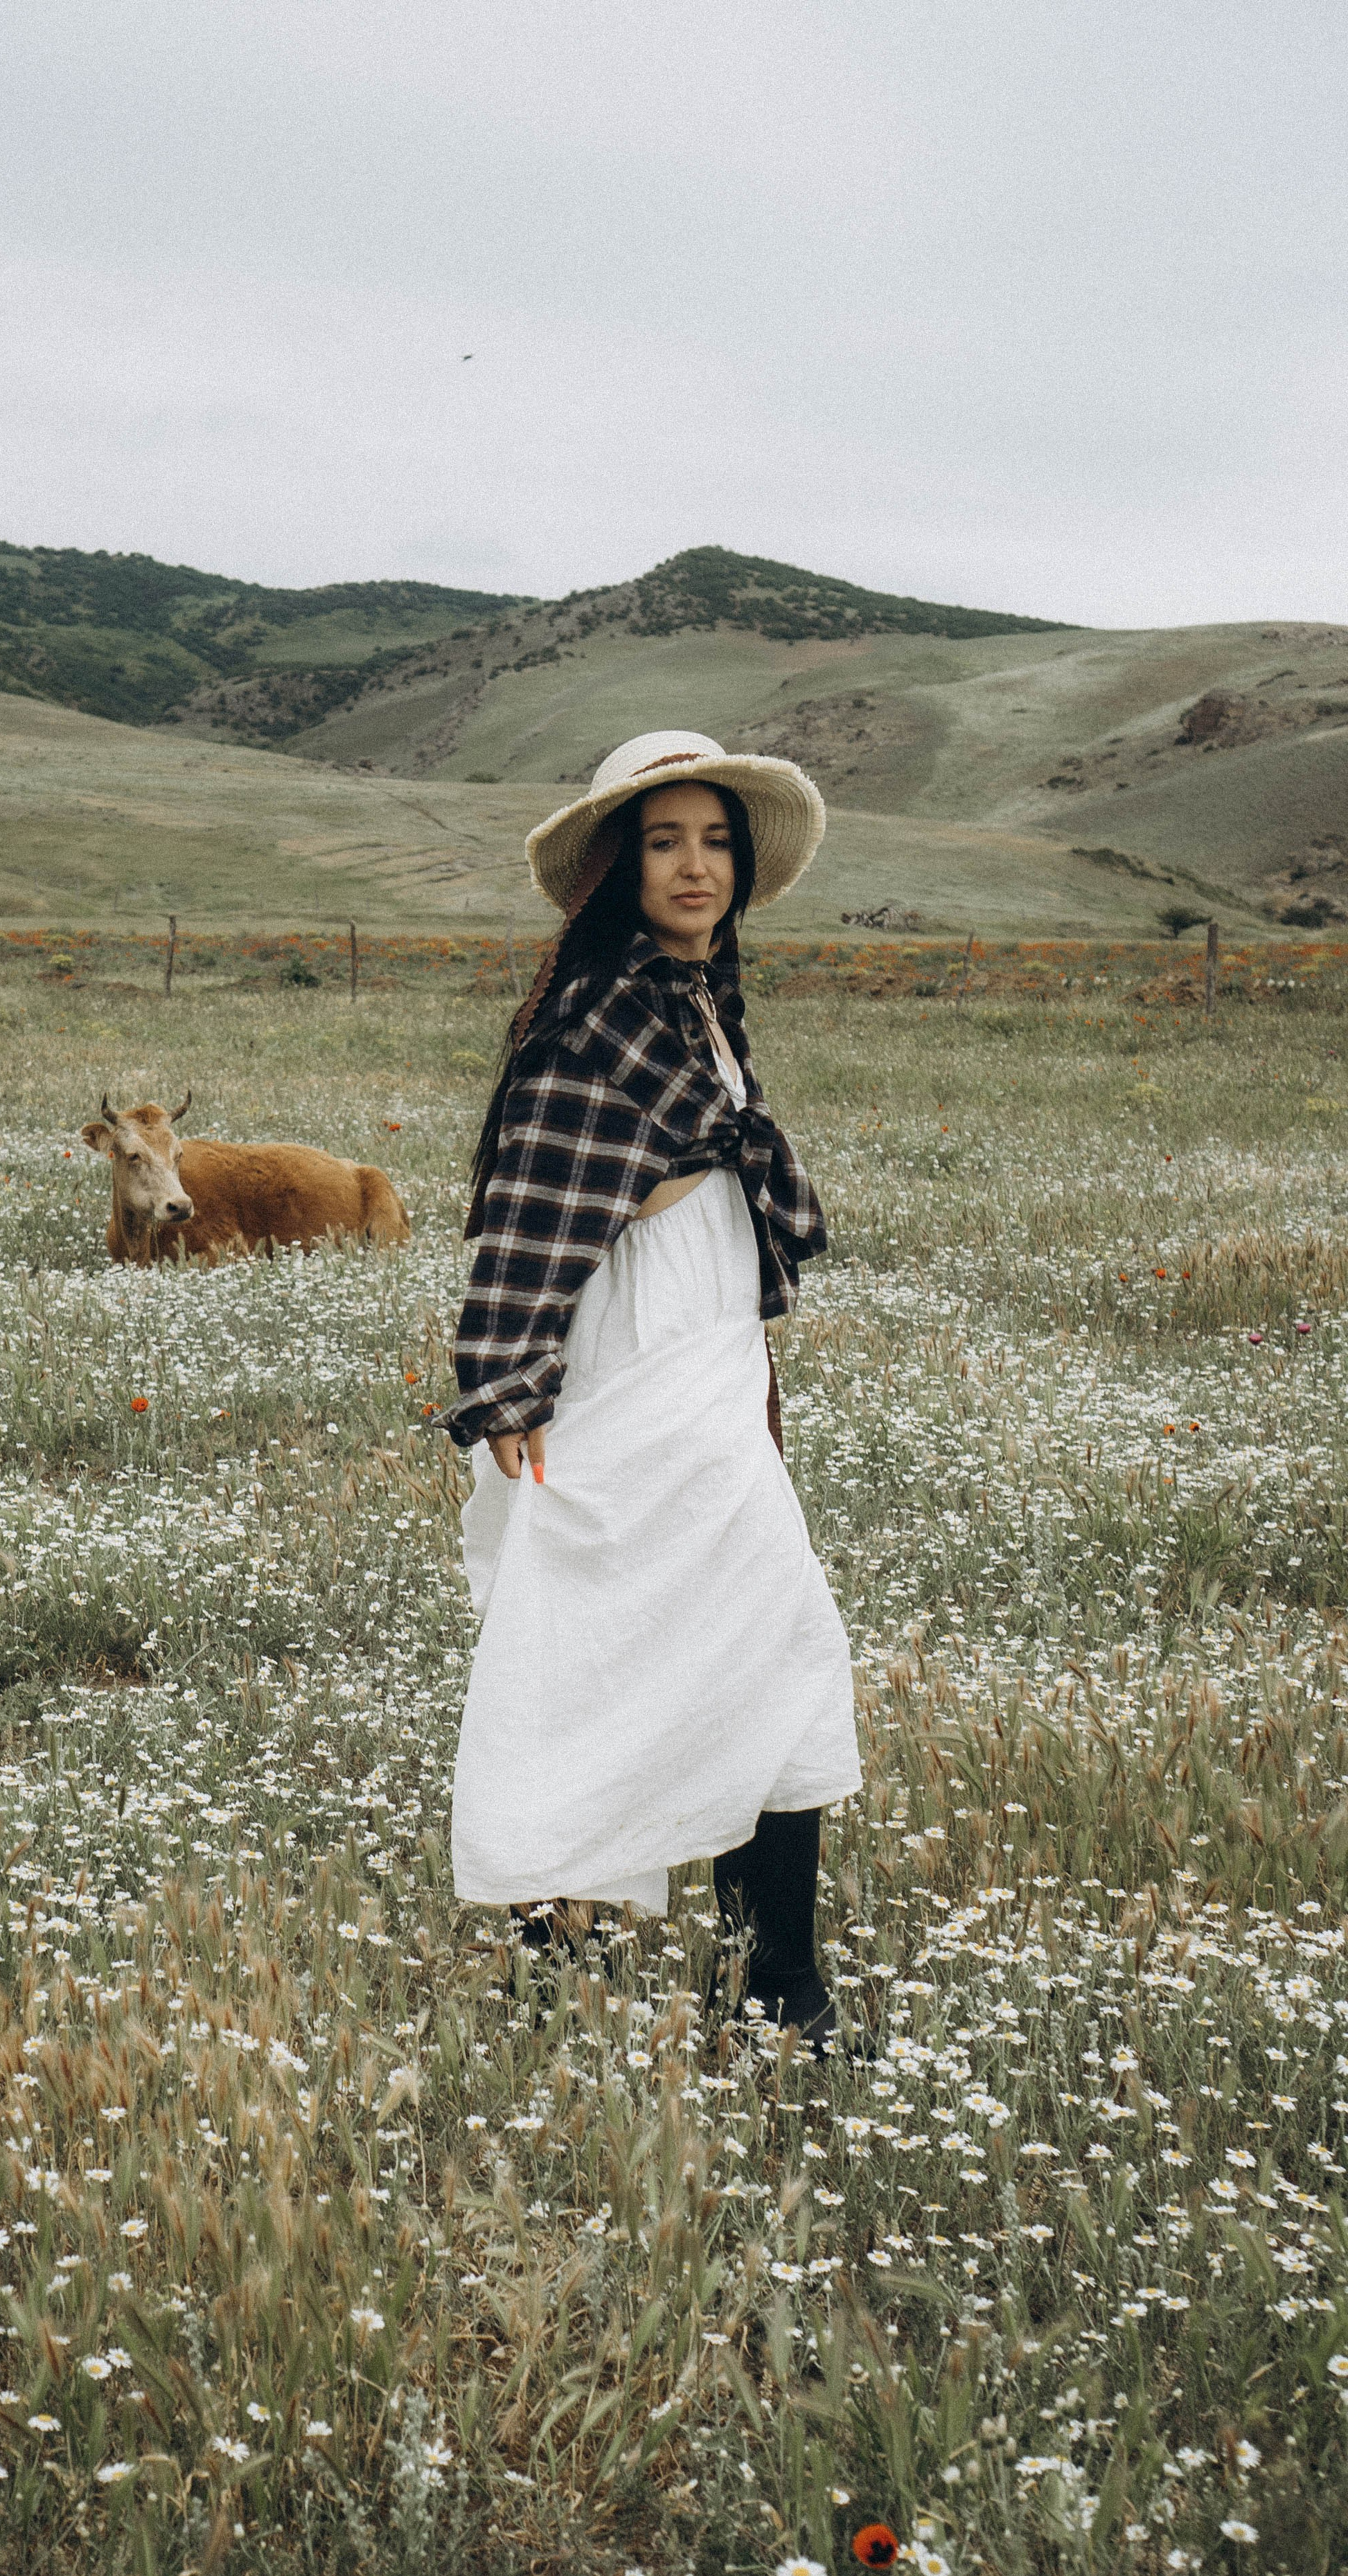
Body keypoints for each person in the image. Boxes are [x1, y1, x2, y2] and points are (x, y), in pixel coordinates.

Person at [437, 730, 862, 2049]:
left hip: (709, 1367)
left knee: (773, 1646)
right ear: (621, 867)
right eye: (665, 840)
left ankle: (776, 1990)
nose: (695, 866)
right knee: (592, 1652)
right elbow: (528, 1204)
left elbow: (701, 1186)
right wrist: (506, 1380)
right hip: (623, 1375)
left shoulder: (700, 1005)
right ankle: (560, 1950)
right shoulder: (594, 1017)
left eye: (716, 839)